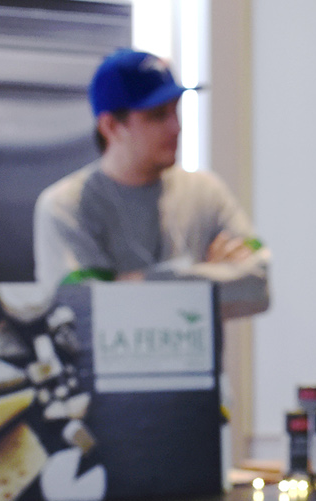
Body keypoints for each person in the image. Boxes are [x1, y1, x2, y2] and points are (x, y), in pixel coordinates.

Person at [33, 48, 270, 319]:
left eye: (176, 110)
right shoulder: (65, 206)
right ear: (111, 127)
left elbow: (258, 286)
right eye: (157, 115)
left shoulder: (206, 192)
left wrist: (129, 283)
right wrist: (208, 275)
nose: (176, 127)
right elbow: (84, 313)